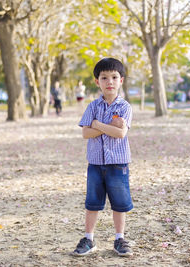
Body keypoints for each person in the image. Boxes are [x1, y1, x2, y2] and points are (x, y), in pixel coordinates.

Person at [74, 58, 133, 257]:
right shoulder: (92, 106)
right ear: (97, 81)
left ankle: (119, 238)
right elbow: (85, 134)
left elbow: (121, 134)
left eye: (114, 77)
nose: (110, 81)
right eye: (104, 77)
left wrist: (97, 125)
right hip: (96, 164)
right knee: (92, 202)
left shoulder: (125, 107)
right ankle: (88, 239)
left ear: (121, 81)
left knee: (119, 203)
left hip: (118, 163)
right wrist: (107, 127)